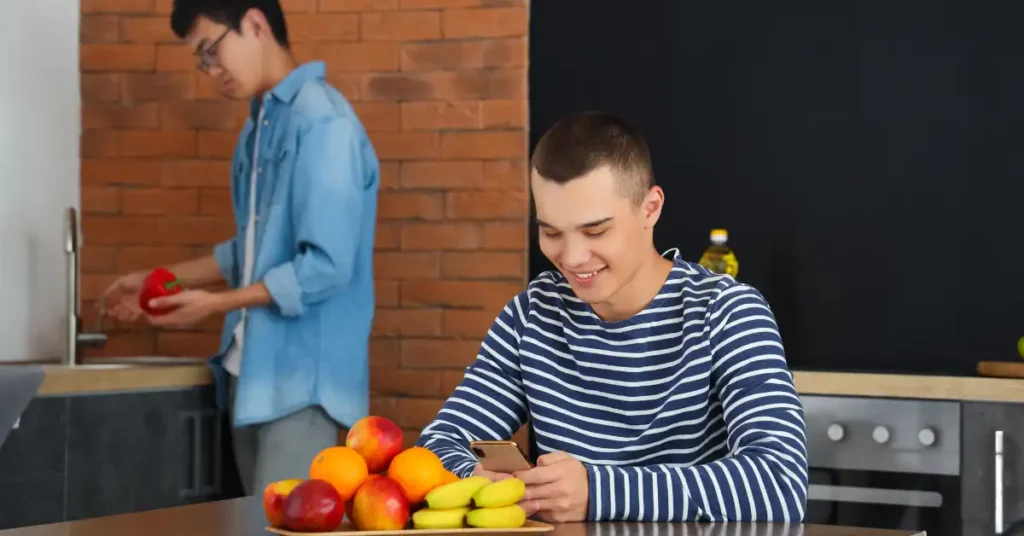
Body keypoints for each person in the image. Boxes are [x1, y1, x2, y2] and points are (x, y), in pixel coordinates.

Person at [416, 111, 808, 523]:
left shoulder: (727, 312)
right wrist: (478, 478)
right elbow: (437, 446)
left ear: (650, 209)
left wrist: (598, 492)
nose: (571, 258)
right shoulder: (531, 315)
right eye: (551, 232)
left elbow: (780, 483)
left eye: (596, 231)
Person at [98, 0, 379, 495]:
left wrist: (215, 305)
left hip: (301, 385)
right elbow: (252, 252)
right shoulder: (259, 128)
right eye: (201, 62)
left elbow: (327, 266)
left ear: (254, 24)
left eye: (211, 52)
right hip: (249, 374)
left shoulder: (323, 123)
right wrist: (162, 279)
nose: (212, 72)